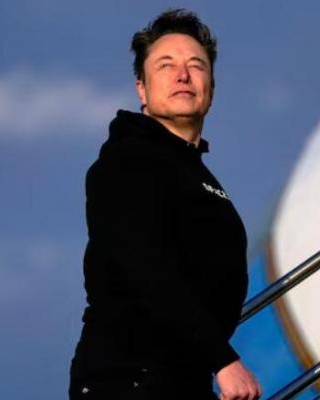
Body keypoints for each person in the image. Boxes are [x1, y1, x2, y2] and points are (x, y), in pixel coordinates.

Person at [69, 9, 262, 400]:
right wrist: (223, 359)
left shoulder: (194, 172)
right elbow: (144, 267)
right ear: (141, 90)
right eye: (166, 65)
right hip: (129, 381)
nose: (183, 75)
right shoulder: (127, 161)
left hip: (182, 380)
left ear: (211, 89)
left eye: (196, 65)